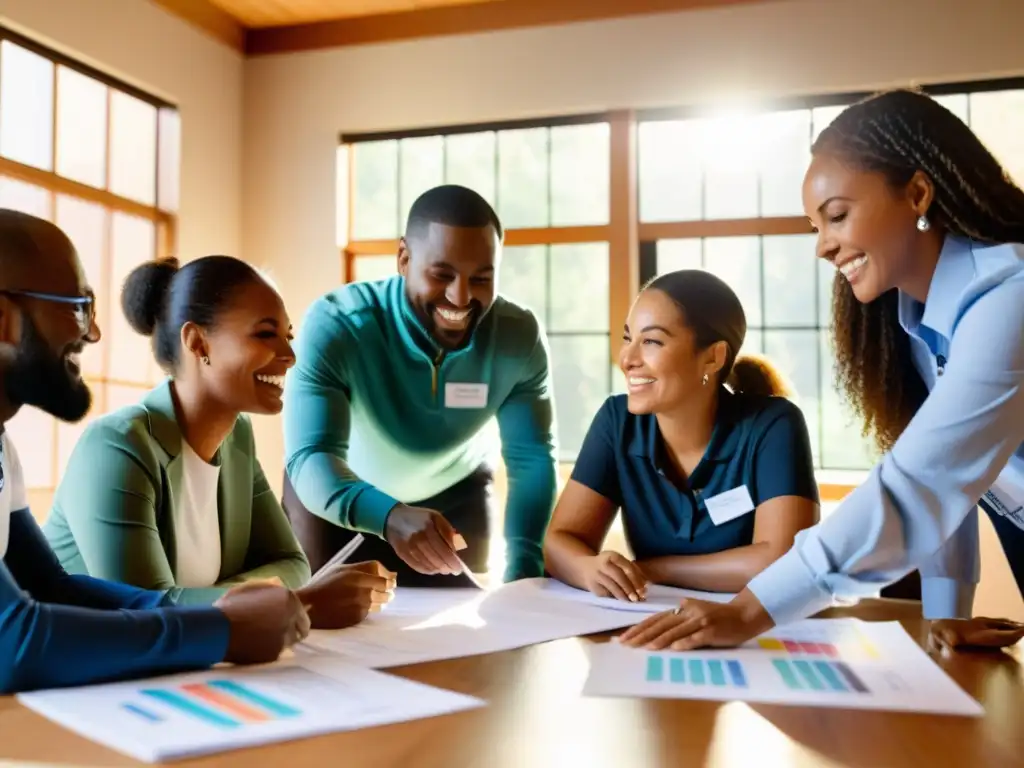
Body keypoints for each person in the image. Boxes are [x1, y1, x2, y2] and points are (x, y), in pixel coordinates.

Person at [620, 88, 1024, 652]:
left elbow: (919, 486)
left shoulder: (1011, 299)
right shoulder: (916, 325)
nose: (824, 248)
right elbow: (950, 486)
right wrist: (945, 616)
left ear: (917, 193)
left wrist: (747, 613)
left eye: (837, 216)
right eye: (816, 227)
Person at [0, 210, 309, 693]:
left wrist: (231, 611)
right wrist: (223, 628)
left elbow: (49, 586)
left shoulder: (3, 449)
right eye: (78, 307)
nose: (93, 333)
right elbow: (12, 640)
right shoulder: (118, 443)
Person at [44, 255, 393, 629]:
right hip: (68, 679)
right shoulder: (117, 446)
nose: (290, 357)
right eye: (265, 334)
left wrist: (229, 600)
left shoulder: (237, 438)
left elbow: (293, 563)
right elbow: (143, 611)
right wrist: (295, 602)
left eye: (287, 336)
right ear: (197, 343)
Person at [284, 184, 557, 585]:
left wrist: (526, 571)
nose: (461, 297)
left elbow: (531, 458)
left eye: (481, 279)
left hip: (455, 492)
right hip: (338, 494)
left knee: (463, 634)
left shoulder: (518, 335)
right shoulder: (338, 325)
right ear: (404, 258)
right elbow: (310, 459)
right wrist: (390, 514)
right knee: (324, 629)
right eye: (441, 275)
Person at [544, 270, 820, 600]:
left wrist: (655, 569)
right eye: (628, 338)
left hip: (750, 632)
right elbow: (559, 541)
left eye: (651, 341)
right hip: (647, 627)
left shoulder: (774, 425)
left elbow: (784, 562)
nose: (627, 359)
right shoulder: (617, 422)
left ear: (712, 357)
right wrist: (588, 569)